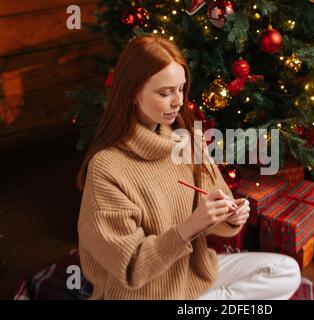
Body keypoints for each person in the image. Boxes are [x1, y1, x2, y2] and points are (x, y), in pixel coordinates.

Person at [76, 34, 301, 300]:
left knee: (286, 271)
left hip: (192, 276)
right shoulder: (107, 167)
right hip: (141, 294)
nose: (178, 102)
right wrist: (191, 226)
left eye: (181, 88)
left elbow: (217, 211)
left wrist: (229, 216)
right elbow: (132, 267)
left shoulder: (186, 141)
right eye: (164, 93)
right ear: (133, 92)